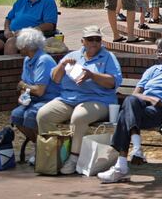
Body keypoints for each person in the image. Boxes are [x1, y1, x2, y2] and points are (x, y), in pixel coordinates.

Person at [97, 37, 162, 183]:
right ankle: (136, 149)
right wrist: (151, 99)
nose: (157, 54)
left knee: (125, 115)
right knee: (130, 102)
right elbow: (135, 94)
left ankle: (122, 165)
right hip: (143, 106)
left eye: (160, 51)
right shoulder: (152, 70)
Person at [36, 25, 123, 175]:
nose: (94, 42)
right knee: (44, 114)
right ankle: (55, 152)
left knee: (79, 116)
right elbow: (55, 79)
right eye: (90, 39)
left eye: (97, 39)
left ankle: (74, 158)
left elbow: (113, 82)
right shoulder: (74, 56)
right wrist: (62, 65)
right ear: (82, 41)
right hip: (68, 99)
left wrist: (92, 76)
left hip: (99, 100)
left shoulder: (108, 57)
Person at [11, 28, 61, 164]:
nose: (17, 47)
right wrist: (22, 94)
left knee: (31, 114)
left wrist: (22, 86)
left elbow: (39, 90)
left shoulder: (43, 60)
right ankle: (40, 145)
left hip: (49, 99)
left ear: (26, 46)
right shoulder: (28, 59)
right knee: (16, 115)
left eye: (19, 44)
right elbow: (25, 84)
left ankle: (43, 150)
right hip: (34, 99)